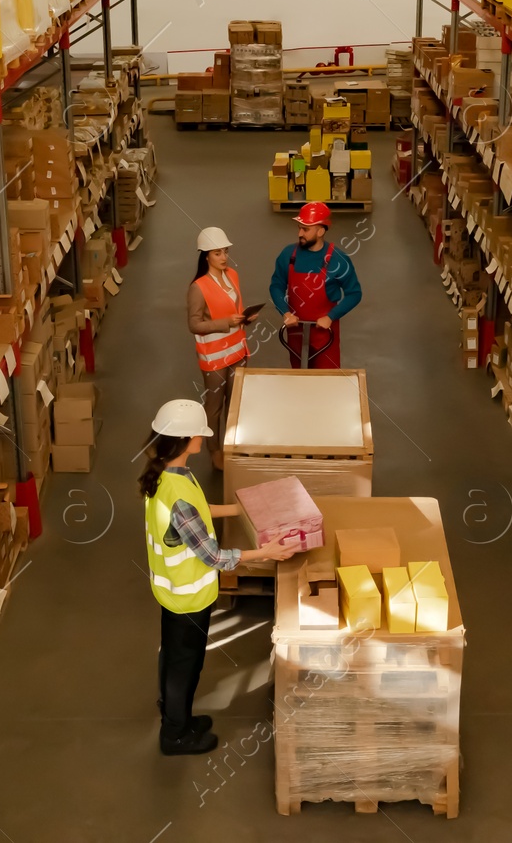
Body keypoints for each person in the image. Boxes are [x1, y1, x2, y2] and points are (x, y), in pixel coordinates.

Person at [140, 399, 299, 755]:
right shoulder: (178, 493)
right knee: (186, 664)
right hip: (188, 598)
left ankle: (175, 717)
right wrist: (266, 553)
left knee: (173, 657)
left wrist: (243, 508)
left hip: (171, 593)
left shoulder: (167, 475)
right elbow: (212, 557)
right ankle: (176, 735)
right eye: (200, 432)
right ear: (187, 439)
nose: (203, 437)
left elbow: (198, 512)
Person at [268, 201, 362, 369]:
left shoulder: (338, 259)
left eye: (306, 229)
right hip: (296, 332)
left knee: (326, 383)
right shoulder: (288, 254)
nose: (300, 233)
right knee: (299, 380)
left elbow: (354, 293)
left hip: (325, 336)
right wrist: (285, 312)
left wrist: (331, 316)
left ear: (320, 230)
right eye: (299, 228)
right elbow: (276, 285)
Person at [187, 227, 250, 470]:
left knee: (235, 402)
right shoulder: (198, 287)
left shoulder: (232, 275)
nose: (223, 257)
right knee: (215, 405)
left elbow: (234, 307)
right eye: (217, 253)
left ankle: (232, 446)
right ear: (205, 256)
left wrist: (244, 318)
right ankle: (215, 452)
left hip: (237, 349)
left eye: (225, 251)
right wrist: (225, 323)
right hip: (214, 355)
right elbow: (194, 324)